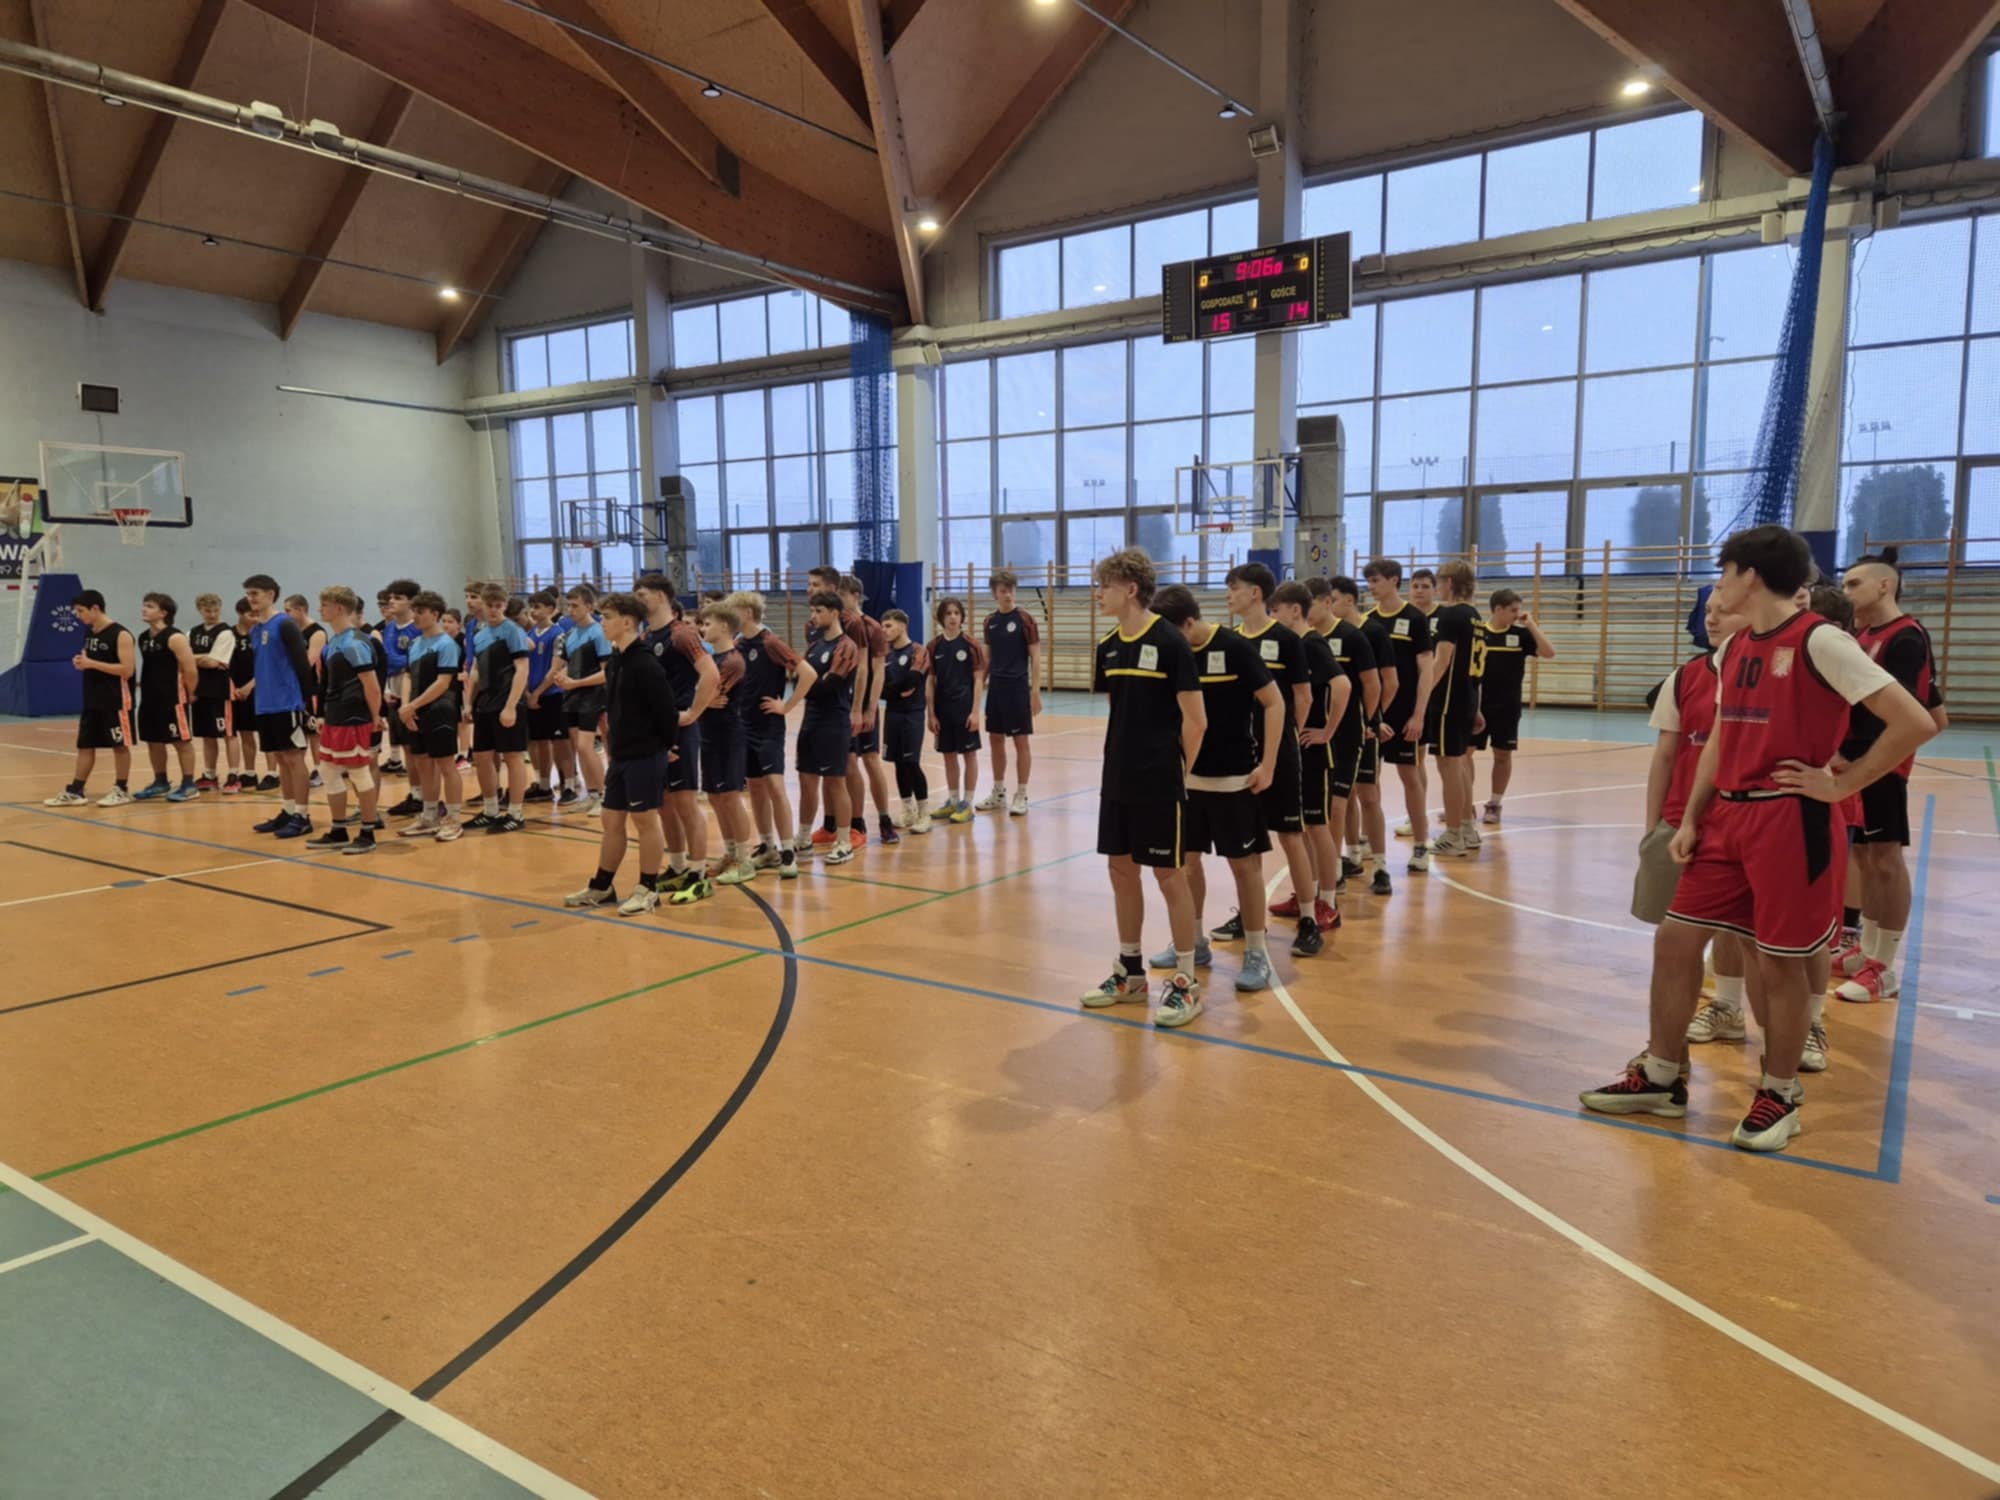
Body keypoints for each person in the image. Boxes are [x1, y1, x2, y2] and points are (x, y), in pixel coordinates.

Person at [1580, 526, 1937, 1153]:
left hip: (1789, 822)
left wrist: (1841, 783)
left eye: (1723, 572)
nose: (1718, 586)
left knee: (1779, 962)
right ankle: (1662, 1076)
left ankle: (1780, 1092)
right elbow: (1721, 737)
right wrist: (1693, 816)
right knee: (1675, 940)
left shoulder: (1821, 640)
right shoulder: (1734, 649)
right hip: (1726, 820)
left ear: (1748, 575)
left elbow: (1914, 720)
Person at [1079, 549, 1207, 1028]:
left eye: (1105, 586)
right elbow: (1121, 711)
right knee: (1120, 870)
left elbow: (1196, 720)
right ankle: (1130, 973)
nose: (1098, 594)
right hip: (1117, 778)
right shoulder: (1109, 646)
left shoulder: (1170, 641)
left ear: (1130, 589)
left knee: (1169, 875)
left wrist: (1176, 771)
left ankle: (1186, 980)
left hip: (1160, 781)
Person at [1637, 591, 1755, 1059]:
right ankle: (1668, 1054)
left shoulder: (1769, 676)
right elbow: (1665, 755)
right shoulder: (1685, 677)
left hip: (1743, 825)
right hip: (1681, 825)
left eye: (1724, 611)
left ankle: (1758, 1026)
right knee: (1674, 939)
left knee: (1751, 938)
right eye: (1708, 612)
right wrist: (1654, 826)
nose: (1713, 619)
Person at [1152, 584, 1285, 990]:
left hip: (1234, 778)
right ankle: (1193, 943)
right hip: (1186, 780)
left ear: (1189, 622)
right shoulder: (1173, 653)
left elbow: (1275, 703)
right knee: (1186, 864)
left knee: (1245, 867)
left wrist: (1268, 765)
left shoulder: (1235, 648)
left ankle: (1256, 951)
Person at [1833, 548, 1946, 1005]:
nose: (1845, 592)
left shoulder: (1906, 637)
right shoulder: (1861, 636)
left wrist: (1851, 754)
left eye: (1853, 583)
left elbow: (1904, 712)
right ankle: (1868, 951)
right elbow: (1936, 708)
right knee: (1865, 858)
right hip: (1857, 763)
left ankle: (1885, 967)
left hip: (1878, 763)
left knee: (1885, 859)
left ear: (1885, 585)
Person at [1225, 564, 1323, 953]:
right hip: (1238, 754)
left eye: (1234, 588)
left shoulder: (1286, 640)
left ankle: (1309, 917)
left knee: (1291, 835)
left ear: (1255, 593)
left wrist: (1286, 737)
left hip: (1279, 753)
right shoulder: (1230, 641)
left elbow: (1304, 696)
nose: (1229, 594)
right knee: (1244, 843)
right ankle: (1248, 915)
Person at [565, 593, 678, 916]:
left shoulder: (645, 663)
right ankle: (602, 885)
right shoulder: (616, 660)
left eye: (608, 617)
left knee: (645, 820)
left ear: (627, 622)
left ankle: (648, 889)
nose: (603, 622)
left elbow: (666, 710)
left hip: (645, 753)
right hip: (621, 754)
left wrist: (666, 746)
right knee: (611, 820)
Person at [635, 575, 720, 898]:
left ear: (660, 596)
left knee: (685, 803)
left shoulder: (681, 634)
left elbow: (710, 673)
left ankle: (699, 873)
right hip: (656, 731)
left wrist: (694, 713)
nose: (638, 601)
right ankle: (678, 865)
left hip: (681, 728)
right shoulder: (646, 637)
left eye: (642, 595)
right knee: (665, 804)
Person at [1364, 558, 1436, 874]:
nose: (1371, 586)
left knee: (1410, 776)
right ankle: (1371, 840)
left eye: (1376, 580)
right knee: (1369, 781)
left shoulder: (1415, 619)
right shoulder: (1367, 622)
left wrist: (1419, 714)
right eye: (1369, 581)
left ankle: (1421, 844)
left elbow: (1426, 670)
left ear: (1394, 580)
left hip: (1406, 713)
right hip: (1376, 714)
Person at [726, 590, 802, 879]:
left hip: (768, 727)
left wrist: (787, 706)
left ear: (747, 612)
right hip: (743, 726)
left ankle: (788, 851)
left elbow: (807, 673)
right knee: (756, 788)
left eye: (733, 611)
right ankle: (768, 847)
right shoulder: (738, 645)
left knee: (775, 787)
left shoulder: (771, 642)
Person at [303, 587, 384, 855]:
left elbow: (371, 685)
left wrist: (375, 716)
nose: (320, 609)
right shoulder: (334, 642)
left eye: (324, 604)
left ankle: (368, 832)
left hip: (354, 716)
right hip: (335, 716)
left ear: (339, 608)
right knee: (328, 771)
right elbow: (328, 683)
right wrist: (323, 715)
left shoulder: (355, 643)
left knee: (359, 772)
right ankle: (338, 830)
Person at [1301, 577, 1363, 913]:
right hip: (1304, 741)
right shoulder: (1296, 640)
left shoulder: (1344, 637)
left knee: (1330, 812)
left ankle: (1330, 887)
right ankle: (1309, 891)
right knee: (1305, 824)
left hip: (1343, 735)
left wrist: (1369, 721)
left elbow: (1363, 684)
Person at [786, 590, 860, 867]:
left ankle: (843, 841)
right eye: (812, 611)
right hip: (811, 720)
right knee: (807, 781)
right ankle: (804, 838)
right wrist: (811, 684)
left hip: (834, 721)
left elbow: (831, 686)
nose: (813, 616)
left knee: (835, 783)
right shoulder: (815, 646)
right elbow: (798, 681)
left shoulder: (846, 646)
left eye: (818, 611)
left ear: (834, 613)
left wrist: (810, 684)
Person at [45, 590, 136, 807]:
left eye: (81, 611)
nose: (78, 616)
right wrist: (82, 662)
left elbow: (127, 670)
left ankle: (121, 789)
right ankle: (76, 790)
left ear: (95, 608)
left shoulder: (121, 634)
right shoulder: (90, 632)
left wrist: (92, 664)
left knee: (120, 745)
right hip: (93, 698)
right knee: (85, 745)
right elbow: (92, 661)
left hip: (116, 699)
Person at [243, 574, 318, 838]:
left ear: (271, 595)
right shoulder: (255, 629)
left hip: (288, 702)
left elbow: (302, 664)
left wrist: (308, 704)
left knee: (294, 758)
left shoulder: (285, 625)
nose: (251, 598)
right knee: (281, 760)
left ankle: (303, 815)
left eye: (255, 593)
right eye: (248, 594)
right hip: (265, 704)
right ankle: (288, 810)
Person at [1472, 590, 1553, 825]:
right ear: (1498, 609)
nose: (1519, 614)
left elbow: (1549, 652)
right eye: (1513, 610)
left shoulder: (1520, 634)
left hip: (1507, 706)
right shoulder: (1479, 634)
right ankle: (1463, 803)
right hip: (1477, 705)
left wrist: (1531, 625)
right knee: (1463, 754)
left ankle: (1494, 804)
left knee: (1502, 754)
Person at [1336, 578, 1395, 894]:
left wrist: (1373, 719)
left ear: (1349, 599)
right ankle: (1352, 857)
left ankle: (1382, 867)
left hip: (1363, 726)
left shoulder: (1371, 632)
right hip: (1335, 728)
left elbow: (1388, 682)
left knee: (1368, 795)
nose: (1328, 604)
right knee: (1341, 797)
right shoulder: (1322, 635)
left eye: (1333, 599)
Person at [694, 603, 757, 889]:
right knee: (715, 797)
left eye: (708, 624)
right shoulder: (711, 659)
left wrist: (703, 699)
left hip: (729, 735)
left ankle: (745, 860)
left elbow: (709, 694)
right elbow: (701, 695)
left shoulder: (733, 661)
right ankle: (730, 852)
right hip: (708, 733)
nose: (703, 629)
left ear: (724, 627)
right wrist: (703, 699)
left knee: (730, 796)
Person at [835, 574, 899, 846]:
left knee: (871, 760)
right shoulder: (837, 626)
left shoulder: (871, 627)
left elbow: (878, 671)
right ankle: (854, 822)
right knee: (848, 763)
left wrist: (870, 708)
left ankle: (885, 819)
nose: (839, 601)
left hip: (863, 706)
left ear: (856, 597)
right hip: (843, 705)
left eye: (842, 596)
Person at [395, 591, 465, 841]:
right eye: (414, 611)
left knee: (446, 765)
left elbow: (443, 682)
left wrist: (413, 705)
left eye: (420, 612)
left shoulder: (447, 644)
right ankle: (430, 815)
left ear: (434, 614)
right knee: (423, 764)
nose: (415, 616)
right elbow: (408, 676)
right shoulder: (415, 644)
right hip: (416, 712)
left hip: (440, 711)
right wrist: (406, 707)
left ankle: (454, 819)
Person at [1424, 560, 1482, 859]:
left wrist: (1422, 696)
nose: (1437, 587)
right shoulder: (1475, 616)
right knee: (1458, 766)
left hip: (1447, 700)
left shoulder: (1449, 615)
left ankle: (1454, 834)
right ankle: (1468, 828)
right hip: (1467, 697)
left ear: (1449, 582)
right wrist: (1476, 705)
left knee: (1449, 767)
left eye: (1438, 581)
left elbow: (1442, 660)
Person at [467, 583, 532, 834]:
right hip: (485, 701)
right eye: (489, 605)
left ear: (504, 606)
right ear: (482, 606)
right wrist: (468, 701)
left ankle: (515, 812)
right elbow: (475, 670)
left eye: (498, 605)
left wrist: (511, 706)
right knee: (482, 756)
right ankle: (490, 810)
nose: (493, 610)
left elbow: (522, 668)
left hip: (507, 701)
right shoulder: (480, 634)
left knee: (513, 756)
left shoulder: (512, 631)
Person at [976, 568, 1041, 816]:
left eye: (1011, 590)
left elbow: (1036, 658)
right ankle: (998, 792)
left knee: (1021, 741)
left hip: (1018, 688)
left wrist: (1035, 692)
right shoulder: (989, 622)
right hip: (996, 689)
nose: (1008, 595)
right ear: (995, 593)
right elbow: (986, 659)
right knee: (995, 739)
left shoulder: (1025, 619)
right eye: (1003, 591)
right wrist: (978, 688)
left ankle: (1022, 794)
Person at [132, 592, 201, 802]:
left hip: (173, 698)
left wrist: (191, 693)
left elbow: (190, 669)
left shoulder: (175, 637)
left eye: (150, 606)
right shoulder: (143, 638)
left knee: (180, 741)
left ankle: (189, 784)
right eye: (144, 605)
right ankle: (160, 782)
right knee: (153, 741)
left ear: (163, 612)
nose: (144, 609)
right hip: (149, 698)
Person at [550, 585, 608, 816]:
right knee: (578, 748)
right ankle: (591, 793)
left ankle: (604, 795)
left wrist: (577, 683)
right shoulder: (571, 635)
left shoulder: (599, 633)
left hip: (592, 696)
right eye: (568, 606)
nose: (570, 610)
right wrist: (561, 677)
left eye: (575, 606)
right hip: (573, 696)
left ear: (589, 607)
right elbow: (568, 666)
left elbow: (606, 672)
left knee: (586, 746)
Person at [927, 596, 986, 823]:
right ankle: (952, 800)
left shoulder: (971, 644)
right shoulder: (934, 646)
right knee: (948, 755)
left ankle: (967, 803)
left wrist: (975, 712)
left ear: (962, 617)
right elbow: (930, 682)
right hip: (943, 710)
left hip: (965, 709)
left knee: (969, 754)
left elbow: (979, 680)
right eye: (948, 613)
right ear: (941, 618)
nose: (953, 617)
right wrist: (931, 713)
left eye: (956, 613)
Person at [880, 609, 933, 834]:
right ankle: (907, 810)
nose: (884, 631)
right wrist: (894, 691)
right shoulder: (886, 655)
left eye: (888, 626)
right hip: (892, 713)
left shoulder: (918, 651)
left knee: (911, 762)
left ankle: (924, 813)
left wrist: (892, 689)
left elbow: (913, 680)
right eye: (883, 627)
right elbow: (881, 689)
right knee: (898, 763)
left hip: (912, 714)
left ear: (902, 626)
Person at [521, 589, 576, 803]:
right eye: (531, 607)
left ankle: (569, 785)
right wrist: (527, 692)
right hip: (532, 695)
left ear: (551, 609)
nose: (533, 611)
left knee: (561, 741)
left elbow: (556, 669)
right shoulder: (528, 636)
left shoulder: (558, 634)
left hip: (553, 694)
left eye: (537, 607)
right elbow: (523, 667)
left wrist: (537, 692)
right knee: (539, 742)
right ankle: (543, 785)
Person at [187, 593, 237, 792]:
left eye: (216, 610)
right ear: (200, 610)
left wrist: (193, 658)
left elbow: (214, 662)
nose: (213, 614)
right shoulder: (192, 632)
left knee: (228, 733)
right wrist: (201, 658)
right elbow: (182, 659)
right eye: (208, 610)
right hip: (200, 689)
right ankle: (210, 774)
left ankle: (233, 774)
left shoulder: (226, 632)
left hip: (219, 689)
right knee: (207, 735)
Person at [378, 578, 422, 787]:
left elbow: (414, 662)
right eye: (390, 598)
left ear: (412, 602)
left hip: (414, 695)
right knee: (405, 748)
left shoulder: (418, 628)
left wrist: (395, 661)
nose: (391, 602)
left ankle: (427, 797)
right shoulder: (389, 628)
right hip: (394, 694)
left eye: (398, 598)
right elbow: (386, 661)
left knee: (419, 751)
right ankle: (415, 794)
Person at [285, 594, 327, 789]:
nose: (286, 614)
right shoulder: (293, 632)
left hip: (313, 689)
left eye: (288, 610)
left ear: (300, 609)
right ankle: (303, 769)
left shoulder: (317, 632)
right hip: (296, 689)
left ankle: (321, 770)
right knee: (300, 731)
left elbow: (309, 661)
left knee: (314, 732)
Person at [227, 597, 264, 794]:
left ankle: (272, 773)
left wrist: (250, 685)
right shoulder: (229, 634)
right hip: (234, 690)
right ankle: (250, 773)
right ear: (240, 613)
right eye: (251, 615)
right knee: (244, 733)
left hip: (258, 687)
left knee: (264, 731)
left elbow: (267, 664)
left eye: (258, 614)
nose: (255, 618)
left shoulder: (261, 634)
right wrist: (233, 686)